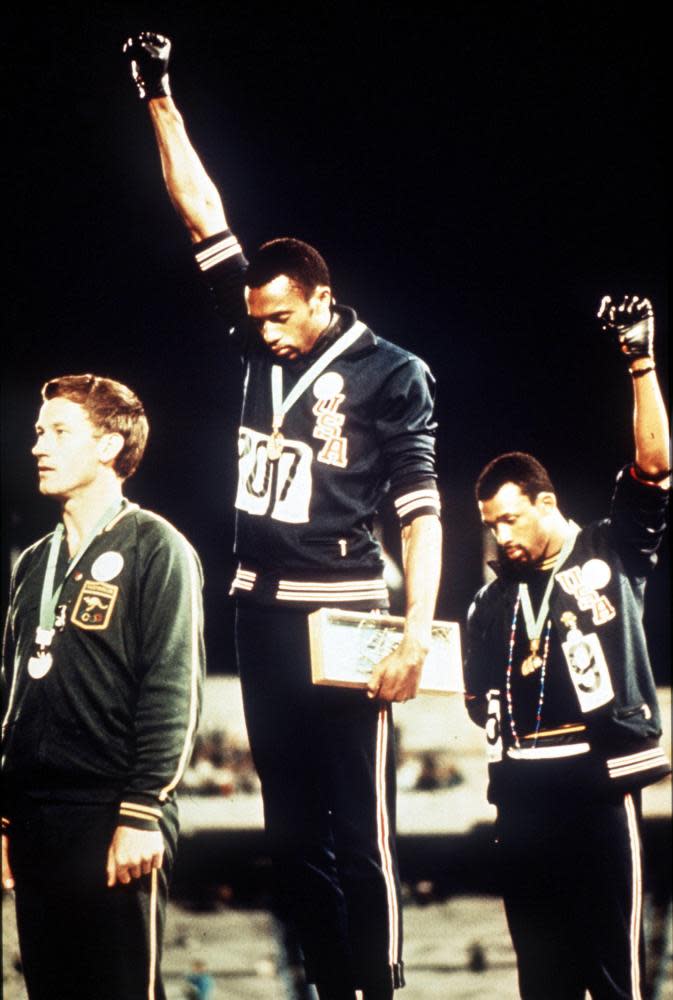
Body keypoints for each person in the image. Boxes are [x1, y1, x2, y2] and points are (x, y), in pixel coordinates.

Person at [123, 32, 442, 999]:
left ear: (321, 301)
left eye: (278, 319)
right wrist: (158, 96)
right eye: (254, 318)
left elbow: (421, 513)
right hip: (258, 608)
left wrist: (417, 635)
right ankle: (325, 987)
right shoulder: (255, 330)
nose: (259, 333)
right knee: (290, 829)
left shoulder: (394, 373)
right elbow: (199, 213)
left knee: (361, 827)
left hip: (348, 611)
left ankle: (379, 987)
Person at [464, 295, 670, 999]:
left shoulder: (609, 550)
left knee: (614, 975)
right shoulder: (489, 601)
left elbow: (652, 468)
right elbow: (472, 701)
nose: (501, 537)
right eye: (491, 526)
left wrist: (638, 359)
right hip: (519, 793)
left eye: (511, 519)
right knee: (541, 982)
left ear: (545, 504)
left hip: (594, 782)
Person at [1, 374, 205, 1000]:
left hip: (114, 813)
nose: (40, 446)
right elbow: (11, 696)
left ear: (110, 445)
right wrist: (5, 816)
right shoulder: (33, 562)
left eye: (60, 432)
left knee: (118, 988)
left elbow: (174, 688)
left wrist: (144, 811)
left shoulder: (157, 547)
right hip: (36, 818)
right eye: (39, 432)